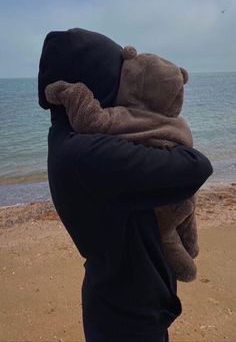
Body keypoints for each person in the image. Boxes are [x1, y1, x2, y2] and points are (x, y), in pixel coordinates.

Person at [38, 27, 213, 342]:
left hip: (118, 298)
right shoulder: (86, 155)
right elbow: (195, 166)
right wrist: (161, 128)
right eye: (116, 77)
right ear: (93, 81)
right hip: (129, 318)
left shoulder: (69, 140)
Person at [44, 46, 199, 283]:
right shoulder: (179, 124)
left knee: (166, 232)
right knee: (186, 217)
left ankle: (185, 266)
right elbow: (194, 161)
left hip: (161, 203)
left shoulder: (126, 117)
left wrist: (73, 92)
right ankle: (192, 249)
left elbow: (91, 121)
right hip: (185, 193)